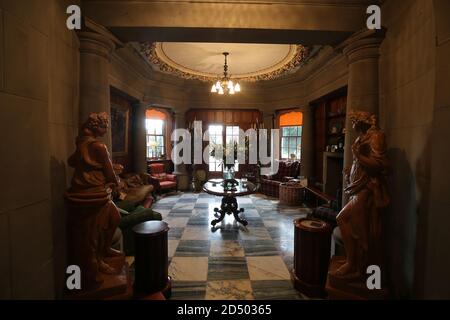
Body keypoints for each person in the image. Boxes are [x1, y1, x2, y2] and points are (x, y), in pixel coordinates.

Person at [66, 112, 122, 288]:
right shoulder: (98, 146)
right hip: (92, 194)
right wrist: (117, 180)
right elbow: (109, 174)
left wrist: (106, 167)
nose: (106, 130)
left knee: (114, 218)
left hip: (95, 191)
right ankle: (92, 271)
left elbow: (73, 161)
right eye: (104, 126)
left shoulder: (82, 143)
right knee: (91, 234)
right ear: (95, 126)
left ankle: (103, 251)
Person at [332, 111, 390, 279]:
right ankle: (355, 264)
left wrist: (357, 155)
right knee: (353, 225)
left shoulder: (376, 137)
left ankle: (360, 270)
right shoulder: (362, 138)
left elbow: (381, 164)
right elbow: (362, 163)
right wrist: (350, 171)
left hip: (366, 191)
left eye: (353, 121)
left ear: (360, 122)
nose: (352, 125)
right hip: (357, 189)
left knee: (359, 231)